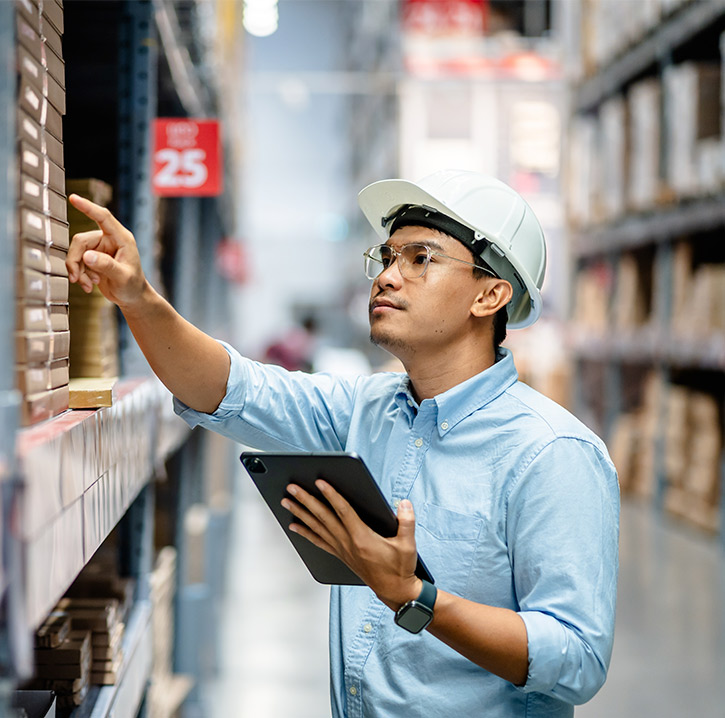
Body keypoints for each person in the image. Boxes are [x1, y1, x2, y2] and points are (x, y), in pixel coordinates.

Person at [66, 169, 619, 718]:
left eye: (420, 259)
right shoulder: (367, 412)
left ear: (490, 294)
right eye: (387, 257)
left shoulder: (553, 455)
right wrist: (138, 300)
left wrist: (417, 598)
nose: (387, 277)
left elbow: (577, 659)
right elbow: (229, 387)